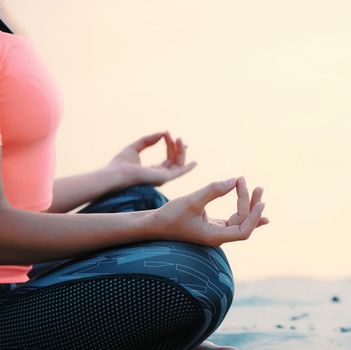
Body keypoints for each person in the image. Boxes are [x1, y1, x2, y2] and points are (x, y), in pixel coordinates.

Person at [0, 3, 268, 350]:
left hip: (20, 271)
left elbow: (18, 204)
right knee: (192, 273)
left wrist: (116, 176)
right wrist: (153, 223)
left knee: (140, 198)